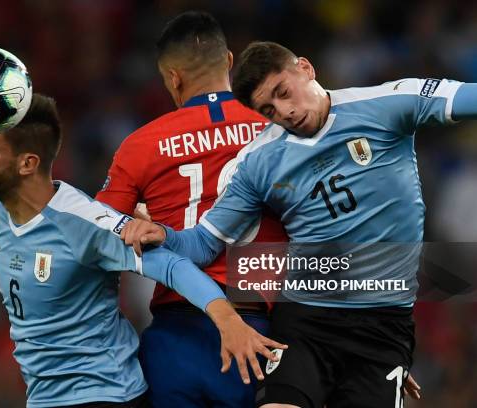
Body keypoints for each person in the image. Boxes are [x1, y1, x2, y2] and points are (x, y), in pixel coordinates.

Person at [119, 41, 471, 407]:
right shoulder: (258, 160)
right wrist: (164, 234)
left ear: (305, 68)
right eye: (268, 109)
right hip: (307, 322)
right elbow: (205, 243)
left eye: (283, 92)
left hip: (383, 327)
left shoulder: (389, 103)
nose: (285, 111)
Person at [0, 93, 286, 407]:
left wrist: (227, 320)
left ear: (27, 163)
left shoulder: (85, 224)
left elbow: (173, 266)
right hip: (45, 397)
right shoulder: (1, 208)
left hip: (107, 394)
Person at [95, 11, 287, 408]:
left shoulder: (140, 145)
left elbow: (98, 235)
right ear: (230, 62)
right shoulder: (278, 131)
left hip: (173, 343)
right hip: (258, 336)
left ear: (173, 78)